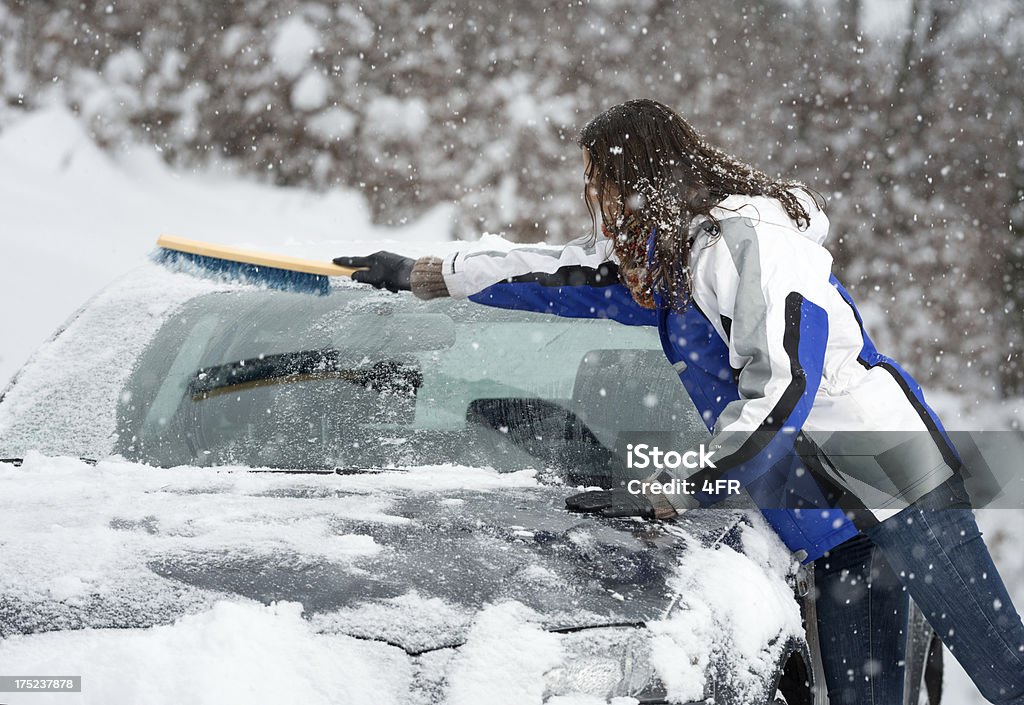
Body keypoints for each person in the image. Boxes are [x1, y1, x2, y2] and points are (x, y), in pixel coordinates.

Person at [335, 99, 1024, 705]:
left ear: (638, 178)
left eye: (601, 181)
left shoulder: (754, 247)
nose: (595, 198)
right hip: (825, 524)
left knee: (1006, 671)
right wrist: (427, 274)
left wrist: (679, 489)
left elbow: (779, 393)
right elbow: (548, 271)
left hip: (894, 481)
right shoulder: (669, 265)